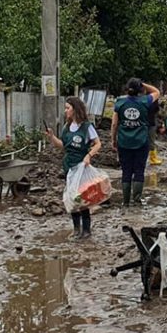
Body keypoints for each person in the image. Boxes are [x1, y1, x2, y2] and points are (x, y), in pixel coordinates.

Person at [43, 96, 102, 239]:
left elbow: (98, 143)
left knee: (82, 198)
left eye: (67, 108)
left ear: (75, 109)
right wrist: (51, 137)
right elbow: (63, 146)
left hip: (81, 167)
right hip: (69, 167)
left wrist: (89, 155)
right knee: (71, 197)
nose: (65, 111)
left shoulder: (87, 127)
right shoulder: (67, 127)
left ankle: (86, 230)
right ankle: (76, 229)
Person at [110, 78, 160, 206]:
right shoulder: (145, 101)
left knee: (126, 171)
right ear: (140, 89)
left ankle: (125, 201)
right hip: (141, 141)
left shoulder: (120, 102)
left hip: (123, 141)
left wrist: (113, 139)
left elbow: (115, 124)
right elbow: (156, 91)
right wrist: (143, 84)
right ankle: (137, 200)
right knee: (139, 170)